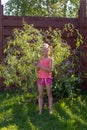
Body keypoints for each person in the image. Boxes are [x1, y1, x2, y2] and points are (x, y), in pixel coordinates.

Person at [35, 43, 53, 114]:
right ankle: (40, 111)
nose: (42, 53)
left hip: (48, 78)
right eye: (41, 51)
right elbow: (38, 69)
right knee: (40, 95)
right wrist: (36, 66)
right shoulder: (40, 59)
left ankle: (50, 110)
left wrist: (40, 67)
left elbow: (50, 70)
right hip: (40, 78)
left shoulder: (50, 59)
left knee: (49, 94)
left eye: (44, 51)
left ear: (48, 51)